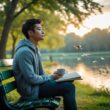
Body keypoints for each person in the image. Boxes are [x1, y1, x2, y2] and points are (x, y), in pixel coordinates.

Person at [12, 18, 77, 110]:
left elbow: (41, 74)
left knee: (68, 81)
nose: (43, 32)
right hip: (31, 91)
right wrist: (51, 77)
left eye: (42, 29)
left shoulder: (35, 49)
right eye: (39, 29)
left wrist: (55, 76)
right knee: (69, 87)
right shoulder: (25, 52)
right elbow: (32, 79)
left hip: (36, 86)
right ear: (30, 33)